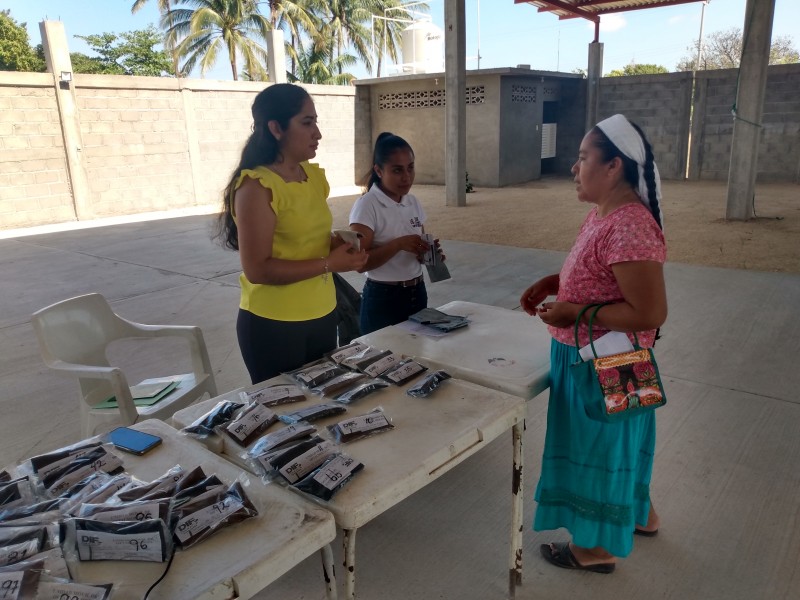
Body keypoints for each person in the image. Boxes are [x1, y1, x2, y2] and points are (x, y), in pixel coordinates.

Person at [519, 114, 667, 573]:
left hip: (604, 362)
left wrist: (573, 312)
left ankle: (594, 550)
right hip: (609, 358)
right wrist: (556, 283)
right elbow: (602, 278)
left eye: (583, 158)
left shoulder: (630, 226)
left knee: (599, 448)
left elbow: (649, 313)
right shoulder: (604, 214)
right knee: (620, 442)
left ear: (614, 167)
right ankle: (637, 515)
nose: (573, 167)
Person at [215, 83, 367, 384]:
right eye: (306, 123)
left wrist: (337, 244)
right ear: (276, 128)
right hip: (274, 324)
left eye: (316, 122)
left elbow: (305, 239)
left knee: (325, 408)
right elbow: (258, 269)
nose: (317, 133)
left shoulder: (311, 176)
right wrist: (330, 264)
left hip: (323, 313)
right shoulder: (257, 187)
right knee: (287, 419)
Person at [349, 132, 438, 335]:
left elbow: (417, 249)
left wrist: (429, 253)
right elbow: (358, 263)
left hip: (418, 292)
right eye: (397, 170)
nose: (406, 177)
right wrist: (397, 245)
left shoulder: (412, 201)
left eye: (410, 168)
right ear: (379, 171)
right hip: (383, 298)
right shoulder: (367, 205)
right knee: (384, 361)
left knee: (417, 360)